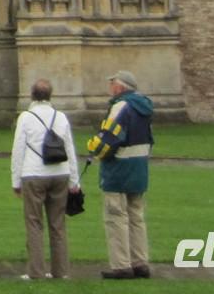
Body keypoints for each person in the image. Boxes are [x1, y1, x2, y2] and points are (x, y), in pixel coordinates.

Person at [86, 70, 155, 279]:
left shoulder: (120, 106)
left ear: (121, 87)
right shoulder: (144, 107)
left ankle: (121, 265)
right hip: (139, 167)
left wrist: (93, 148)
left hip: (118, 169)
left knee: (116, 217)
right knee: (136, 217)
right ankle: (140, 262)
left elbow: (109, 138)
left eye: (113, 83)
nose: (111, 87)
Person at [10, 78, 81, 281]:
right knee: (57, 225)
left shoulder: (26, 117)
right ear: (50, 96)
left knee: (34, 223)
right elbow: (69, 150)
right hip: (60, 173)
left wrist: (15, 181)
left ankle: (36, 271)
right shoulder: (60, 117)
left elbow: (18, 151)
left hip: (33, 173)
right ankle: (61, 271)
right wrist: (74, 181)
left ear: (32, 95)